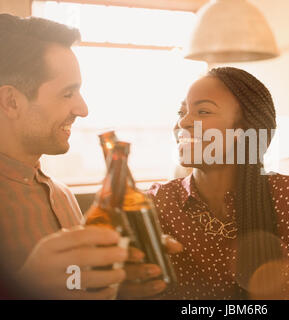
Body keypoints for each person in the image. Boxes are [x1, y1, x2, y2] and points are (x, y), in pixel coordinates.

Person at [0, 14, 181, 299]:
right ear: (11, 101)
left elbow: (75, 288)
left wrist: (117, 288)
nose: (82, 109)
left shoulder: (62, 196)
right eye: (67, 93)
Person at [145, 67, 289, 299]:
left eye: (203, 111)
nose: (183, 122)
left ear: (243, 131)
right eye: (182, 111)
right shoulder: (157, 204)